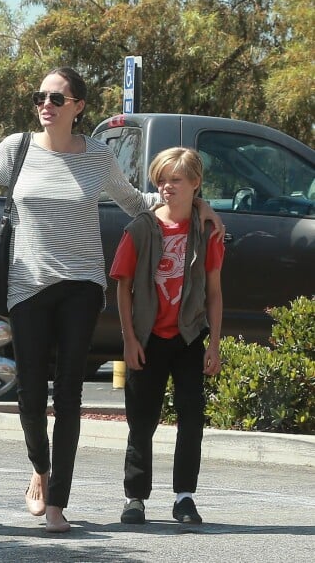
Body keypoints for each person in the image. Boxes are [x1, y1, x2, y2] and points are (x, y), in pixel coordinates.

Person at [0, 68, 224, 533]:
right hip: (27, 283)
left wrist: (199, 204)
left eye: (57, 97)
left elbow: (140, 203)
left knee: (69, 394)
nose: (46, 104)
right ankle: (40, 467)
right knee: (31, 396)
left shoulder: (98, 156)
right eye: (41, 96)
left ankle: (57, 502)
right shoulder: (17, 149)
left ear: (78, 106)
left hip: (81, 285)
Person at [110, 147, 224, 526]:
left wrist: (216, 344)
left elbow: (213, 291)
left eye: (176, 179)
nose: (166, 187)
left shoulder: (206, 231)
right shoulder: (141, 228)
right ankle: (135, 497)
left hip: (189, 337)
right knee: (141, 420)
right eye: (161, 179)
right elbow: (122, 288)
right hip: (146, 337)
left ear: (195, 184)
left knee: (192, 418)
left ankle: (184, 497)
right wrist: (129, 339)